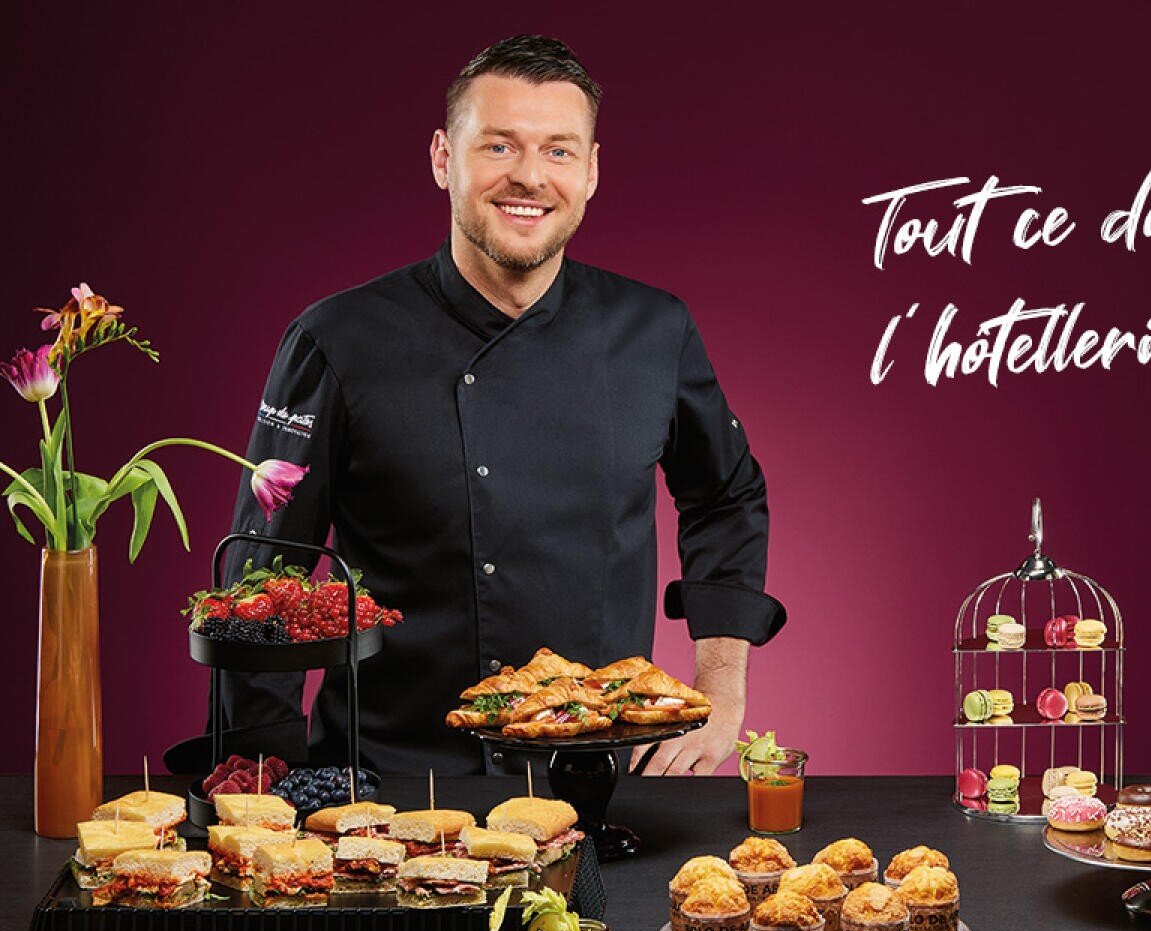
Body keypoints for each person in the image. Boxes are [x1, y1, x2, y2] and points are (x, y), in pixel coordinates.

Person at [215, 35, 784, 776]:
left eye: (558, 151)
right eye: (499, 146)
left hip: (597, 783)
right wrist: (265, 780)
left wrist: (720, 693)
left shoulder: (655, 330)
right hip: (387, 786)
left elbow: (727, 497)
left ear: (591, 172)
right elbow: (268, 571)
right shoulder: (336, 339)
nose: (529, 177)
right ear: (443, 158)